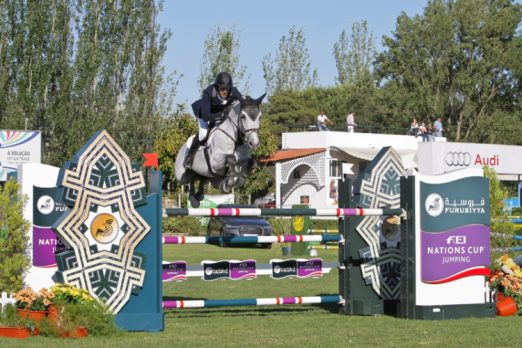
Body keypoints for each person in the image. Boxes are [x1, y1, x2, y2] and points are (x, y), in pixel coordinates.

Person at [184, 72, 243, 169]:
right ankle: (189, 157)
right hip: (205, 113)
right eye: (222, 88)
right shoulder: (208, 92)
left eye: (227, 89)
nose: (225, 91)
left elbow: (243, 102)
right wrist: (221, 115)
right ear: (217, 87)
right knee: (203, 134)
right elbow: (206, 115)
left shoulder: (234, 91)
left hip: (221, 114)